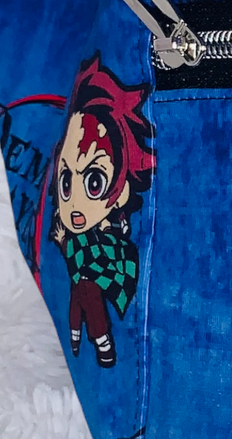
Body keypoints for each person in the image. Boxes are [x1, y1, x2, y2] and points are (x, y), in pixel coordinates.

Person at [49, 54, 155, 369]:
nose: (74, 203)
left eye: (94, 182)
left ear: (122, 193)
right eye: (65, 181)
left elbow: (95, 257)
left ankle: (98, 340)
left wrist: (66, 242)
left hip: (95, 279)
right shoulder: (85, 231)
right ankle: (84, 338)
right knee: (78, 288)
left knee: (84, 288)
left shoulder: (110, 241)